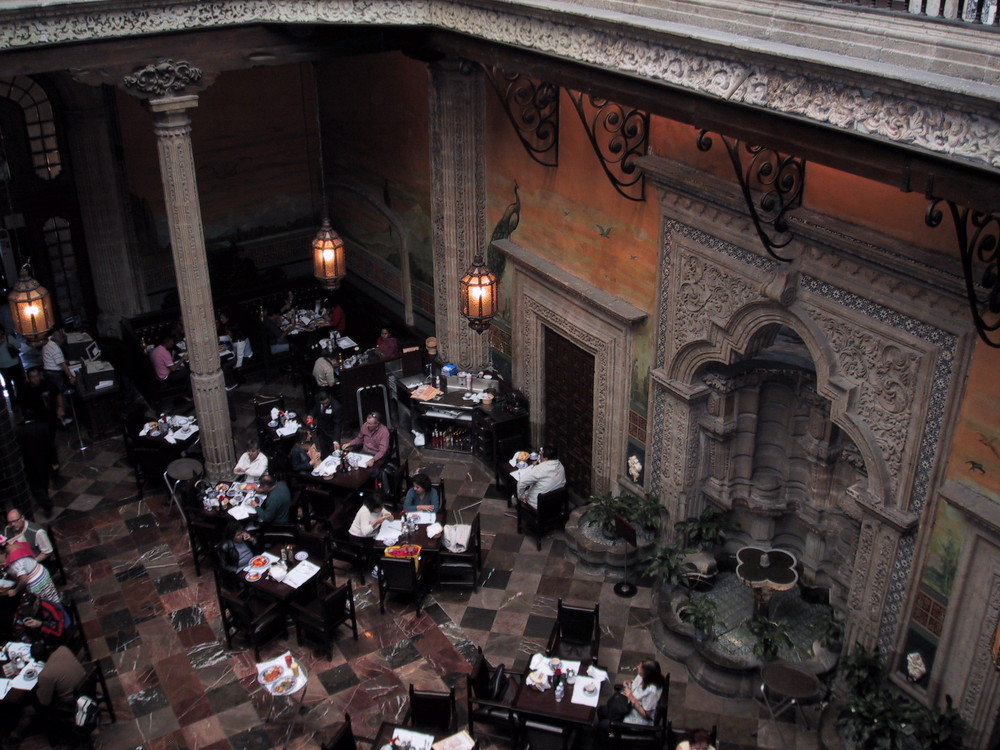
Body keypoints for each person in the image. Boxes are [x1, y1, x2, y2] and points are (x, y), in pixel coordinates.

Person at [597, 659, 665, 729]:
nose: (637, 667)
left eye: (640, 667)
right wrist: (629, 682)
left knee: (604, 724)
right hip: (627, 704)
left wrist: (632, 698)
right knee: (601, 710)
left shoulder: (652, 692)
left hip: (638, 716)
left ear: (646, 674)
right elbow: (636, 684)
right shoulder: (642, 676)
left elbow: (646, 715)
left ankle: (609, 734)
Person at [31, 641, 86, 712]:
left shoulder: (45, 675)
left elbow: (45, 702)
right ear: (47, 647)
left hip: (73, 701)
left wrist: (38, 691)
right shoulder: (63, 649)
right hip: (86, 682)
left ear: (37, 660)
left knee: (35, 702)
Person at [1, 538, 60, 603]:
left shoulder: (15, 562)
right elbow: (24, 559)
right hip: (43, 573)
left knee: (45, 605)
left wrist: (15, 591)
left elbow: (24, 579)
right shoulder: (17, 544)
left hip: (36, 583)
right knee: (53, 599)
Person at [516, 444, 567, 509]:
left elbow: (521, 482)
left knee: (516, 497)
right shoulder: (561, 466)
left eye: (540, 454)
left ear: (545, 458)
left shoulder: (540, 469)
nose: (539, 456)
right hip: (555, 504)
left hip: (538, 505)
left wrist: (521, 497)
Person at [41, 327, 74, 392]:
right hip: (55, 374)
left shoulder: (48, 340)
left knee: (54, 391)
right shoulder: (56, 349)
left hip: (47, 371)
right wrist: (71, 376)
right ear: (60, 341)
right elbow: (62, 364)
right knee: (59, 391)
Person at [310, 389, 342, 455]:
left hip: (331, 434)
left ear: (329, 397)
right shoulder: (317, 399)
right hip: (321, 431)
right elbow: (316, 409)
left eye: (326, 403)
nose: (324, 405)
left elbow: (337, 425)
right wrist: (311, 416)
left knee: (333, 453)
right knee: (323, 452)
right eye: (322, 404)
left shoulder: (336, 407)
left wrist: (336, 440)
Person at [0, 322, 24, 401]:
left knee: (18, 383)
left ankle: (20, 399)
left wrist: (12, 345)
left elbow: (19, 345)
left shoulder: (8, 338)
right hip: (3, 366)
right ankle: (13, 401)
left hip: (14, 364)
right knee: (8, 385)